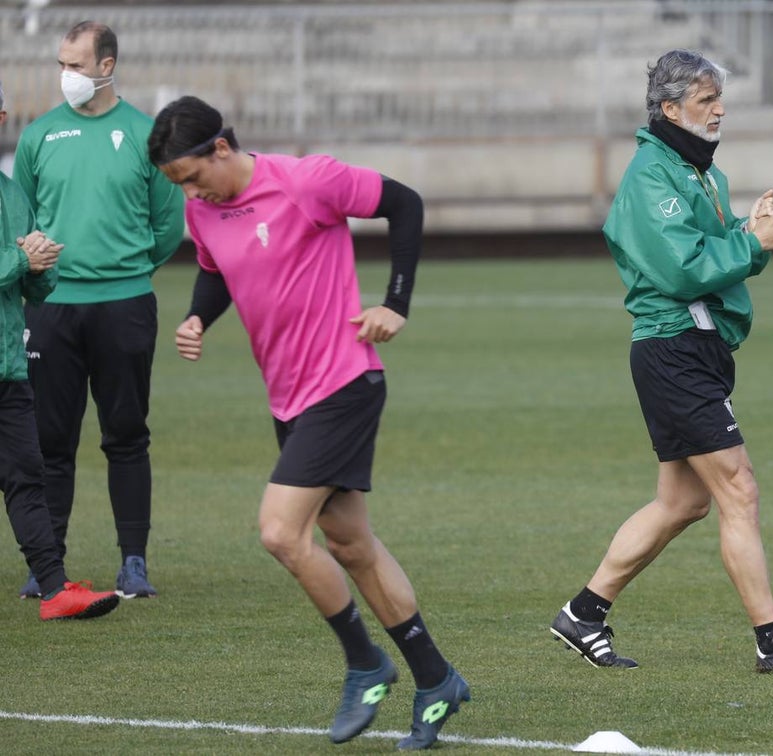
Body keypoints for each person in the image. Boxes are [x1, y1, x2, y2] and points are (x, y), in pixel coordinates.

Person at [147, 95, 468, 749]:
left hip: (344, 383)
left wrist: (394, 303)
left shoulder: (305, 181)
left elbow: (404, 203)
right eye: (178, 185)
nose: (190, 192)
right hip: (288, 400)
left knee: (279, 533)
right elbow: (216, 272)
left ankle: (365, 663)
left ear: (222, 148)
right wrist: (196, 318)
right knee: (351, 546)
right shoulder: (202, 210)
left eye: (191, 175)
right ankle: (437, 680)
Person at [550, 50, 773, 675]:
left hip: (700, 347)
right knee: (740, 488)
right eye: (707, 100)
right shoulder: (649, 177)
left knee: (682, 503)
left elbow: (714, 251)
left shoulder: (700, 172)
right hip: (673, 347)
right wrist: (749, 242)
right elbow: (681, 272)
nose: (720, 110)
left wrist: (749, 231)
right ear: (669, 109)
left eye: (719, 98)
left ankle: (583, 613)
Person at [12, 21, 185, 600]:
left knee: (127, 436)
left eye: (77, 66)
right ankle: (48, 564)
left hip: (125, 306)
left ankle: (133, 561)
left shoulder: (143, 134)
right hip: (51, 310)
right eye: (61, 64)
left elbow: (168, 225)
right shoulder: (38, 138)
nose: (67, 77)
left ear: (107, 67)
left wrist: (125, 268)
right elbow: (24, 224)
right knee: (50, 440)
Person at [1, 81, 120, 621]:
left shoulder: (11, 194)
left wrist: (44, 266)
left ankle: (53, 589)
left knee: (28, 473)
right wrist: (22, 259)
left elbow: (32, 285)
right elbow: (14, 263)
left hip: (8, 364)